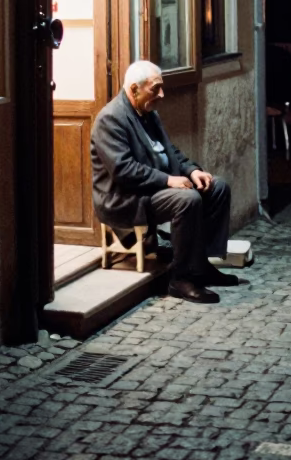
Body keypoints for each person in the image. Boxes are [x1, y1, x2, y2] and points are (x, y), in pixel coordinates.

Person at [91, 60, 237, 303]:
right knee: (186, 199)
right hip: (127, 198)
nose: (161, 94)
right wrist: (169, 180)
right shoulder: (111, 119)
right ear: (134, 89)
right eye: (155, 88)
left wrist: (191, 171)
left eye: (161, 87)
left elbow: (171, 151)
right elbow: (123, 170)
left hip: (154, 188)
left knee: (217, 187)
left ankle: (200, 265)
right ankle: (180, 279)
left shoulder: (148, 112)